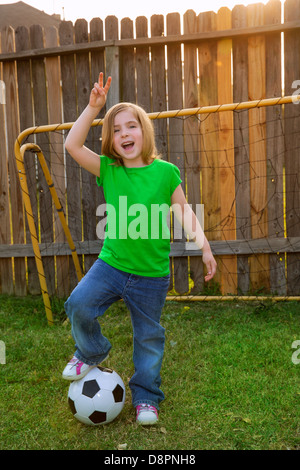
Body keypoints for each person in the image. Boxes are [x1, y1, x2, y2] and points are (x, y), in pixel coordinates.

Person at [62, 72, 217, 425]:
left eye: (130, 127)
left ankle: (146, 397)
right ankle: (91, 350)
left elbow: (185, 213)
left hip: (150, 276)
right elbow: (72, 146)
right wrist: (92, 108)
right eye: (115, 130)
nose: (124, 134)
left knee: (148, 337)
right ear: (110, 141)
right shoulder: (109, 169)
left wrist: (205, 247)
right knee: (78, 304)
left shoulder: (165, 173)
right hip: (111, 266)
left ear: (144, 132)